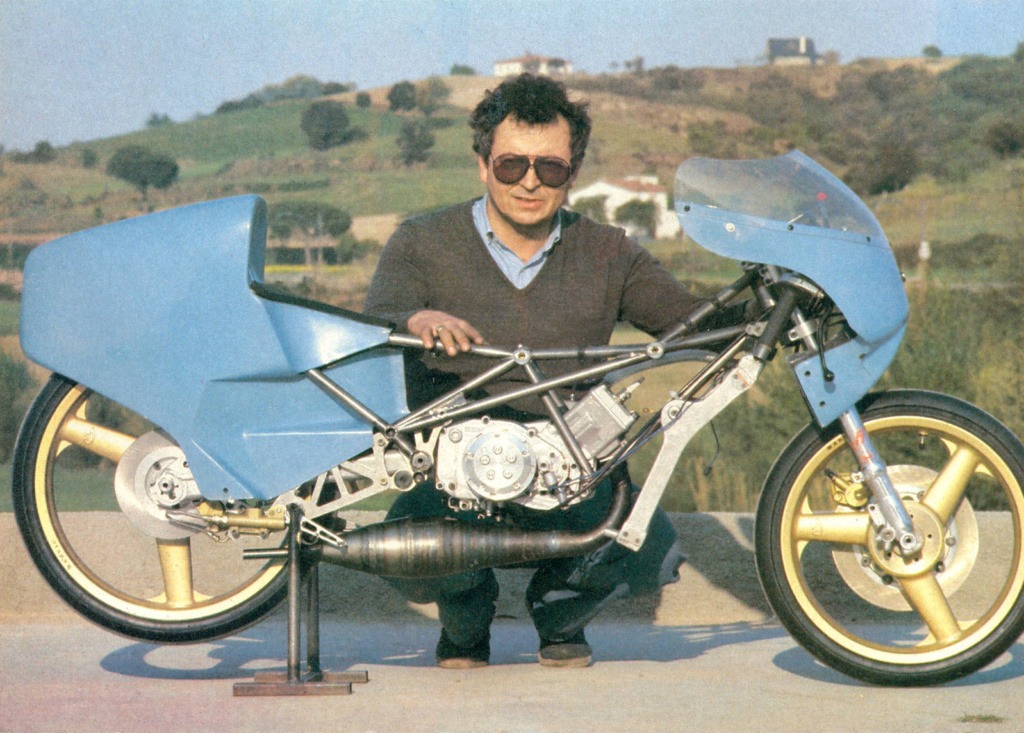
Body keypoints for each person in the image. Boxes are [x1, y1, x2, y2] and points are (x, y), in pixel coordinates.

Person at [364, 73, 736, 669]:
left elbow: (691, 324)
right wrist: (416, 316)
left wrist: (773, 301)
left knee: (652, 551)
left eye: (551, 168)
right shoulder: (421, 242)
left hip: (572, 472)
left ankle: (560, 614)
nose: (530, 182)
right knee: (406, 551)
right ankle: (466, 616)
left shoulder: (608, 250)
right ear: (483, 165)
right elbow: (369, 324)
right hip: (453, 477)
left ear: (574, 170)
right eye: (511, 165)